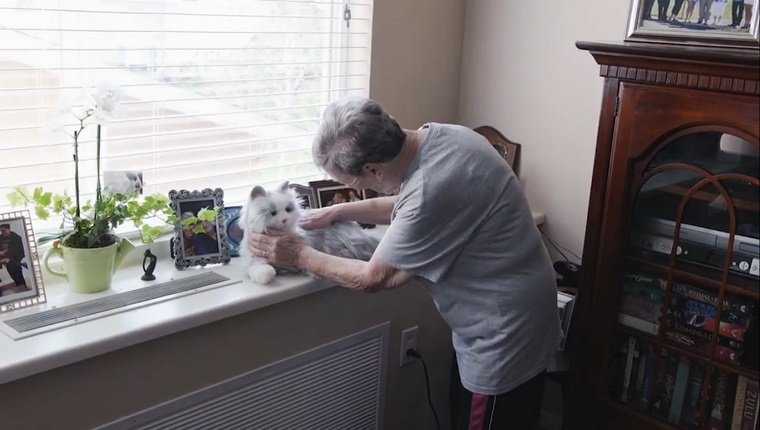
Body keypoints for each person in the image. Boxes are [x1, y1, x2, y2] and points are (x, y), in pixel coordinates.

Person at [247, 97, 561, 429]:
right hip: (522, 306)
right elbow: (406, 202)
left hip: (503, 330)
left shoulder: (429, 190)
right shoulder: (445, 137)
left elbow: (374, 277)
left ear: (373, 170)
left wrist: (298, 254)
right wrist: (338, 210)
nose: (356, 190)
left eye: (355, 185)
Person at [0, 223, 28, 291]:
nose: (2, 232)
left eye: (4, 230)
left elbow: (19, 251)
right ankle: (20, 287)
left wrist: (9, 259)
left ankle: (24, 289)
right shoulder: (0, 237)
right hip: (5, 259)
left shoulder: (16, 238)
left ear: (9, 229)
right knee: (13, 275)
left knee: (18, 275)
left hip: (15, 259)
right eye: (1, 231)